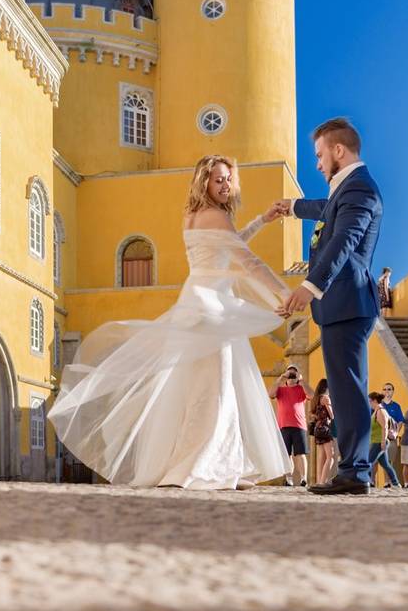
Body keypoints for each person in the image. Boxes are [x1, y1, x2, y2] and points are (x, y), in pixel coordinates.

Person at [49, 155, 293, 489]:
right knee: (216, 389)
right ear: (204, 182)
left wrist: (262, 220)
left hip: (197, 301)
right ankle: (204, 465)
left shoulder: (194, 216)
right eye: (218, 179)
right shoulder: (217, 217)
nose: (225, 185)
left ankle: (210, 462)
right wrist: (285, 294)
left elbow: (228, 247)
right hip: (211, 309)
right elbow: (247, 262)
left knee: (198, 388)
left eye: (228, 179)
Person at [274, 118, 383, 496]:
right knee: (343, 385)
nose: (318, 164)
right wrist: (292, 207)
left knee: (349, 388)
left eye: (320, 155)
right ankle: (354, 469)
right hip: (341, 305)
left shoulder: (360, 190)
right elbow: (327, 209)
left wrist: (309, 287)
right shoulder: (349, 190)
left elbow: (345, 240)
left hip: (346, 301)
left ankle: (355, 472)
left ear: (339, 151)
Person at [270, 364, 313, 487]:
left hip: (299, 425)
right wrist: (281, 378)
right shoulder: (281, 389)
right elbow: (271, 394)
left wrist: (302, 380)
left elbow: (311, 395)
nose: (292, 375)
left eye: (294, 373)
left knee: (300, 453)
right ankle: (288, 479)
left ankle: (303, 479)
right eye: (290, 373)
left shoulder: (301, 389)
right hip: (283, 425)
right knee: (286, 454)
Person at [368, 392, 400, 487]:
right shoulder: (376, 411)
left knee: (368, 462)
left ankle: (366, 482)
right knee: (386, 465)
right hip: (376, 441)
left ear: (374, 401)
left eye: (370, 401)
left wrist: (383, 441)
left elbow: (385, 427)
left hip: (379, 442)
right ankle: (396, 483)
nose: (369, 403)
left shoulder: (380, 411)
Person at [309, 378, 336, 485]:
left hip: (317, 429)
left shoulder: (315, 399)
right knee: (331, 457)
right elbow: (332, 415)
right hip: (325, 428)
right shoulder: (325, 398)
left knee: (321, 457)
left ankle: (319, 481)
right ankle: (323, 482)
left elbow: (313, 414)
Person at [380, 382, 405, 480]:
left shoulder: (396, 406)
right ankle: (372, 482)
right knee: (375, 461)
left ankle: (387, 482)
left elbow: (400, 421)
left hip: (391, 438)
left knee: (389, 460)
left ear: (393, 392)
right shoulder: (379, 405)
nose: (387, 391)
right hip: (379, 437)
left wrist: (395, 433)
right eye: (385, 389)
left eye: (389, 389)